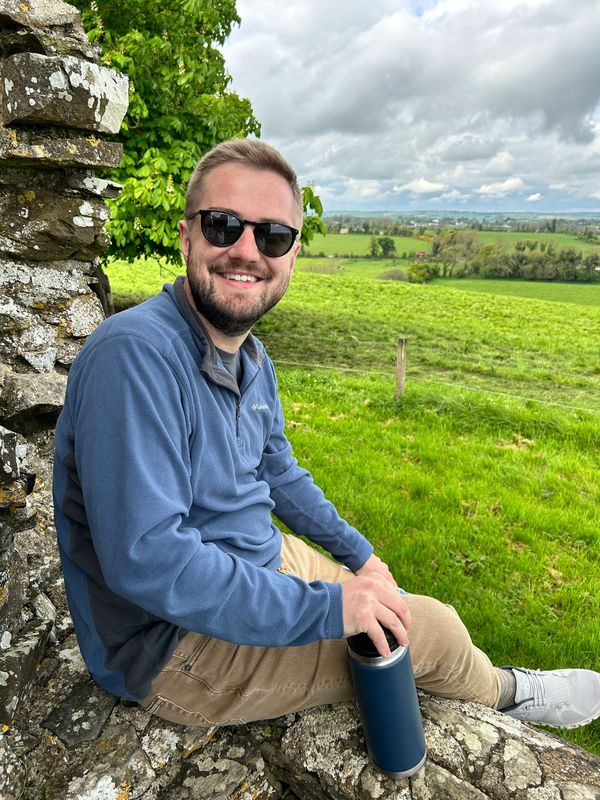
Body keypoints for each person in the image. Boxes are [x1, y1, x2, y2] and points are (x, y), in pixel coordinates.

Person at [53, 138, 600, 731]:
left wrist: (360, 555)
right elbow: (150, 561)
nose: (246, 251)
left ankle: (456, 673)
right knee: (433, 631)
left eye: (272, 236)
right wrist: (331, 607)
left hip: (256, 562)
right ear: (186, 236)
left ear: (292, 255)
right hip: (173, 646)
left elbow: (278, 472)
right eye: (222, 225)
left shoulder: (251, 357)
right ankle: (510, 694)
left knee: (389, 606)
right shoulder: (135, 356)